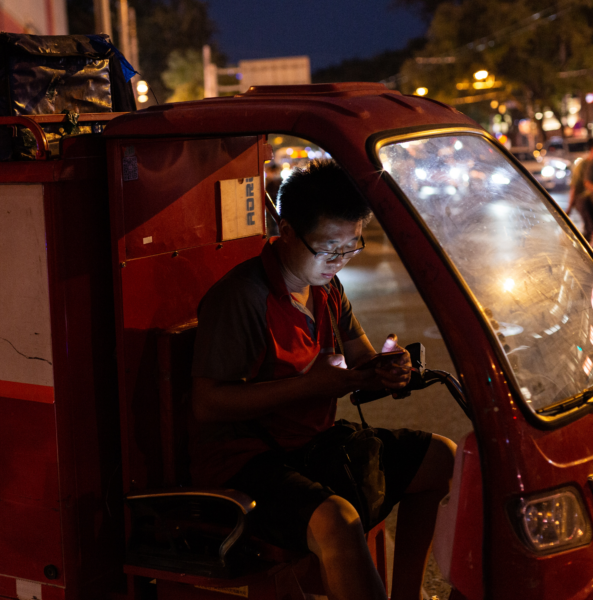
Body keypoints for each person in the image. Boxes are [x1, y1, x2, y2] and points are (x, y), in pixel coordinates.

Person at [190, 159, 456, 600]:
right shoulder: (242, 297)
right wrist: (307, 387)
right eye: (328, 249)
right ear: (287, 230)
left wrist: (388, 368)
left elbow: (361, 359)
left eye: (351, 248)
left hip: (312, 444)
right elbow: (206, 404)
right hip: (246, 461)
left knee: (440, 457)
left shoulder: (327, 289)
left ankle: (407, 593)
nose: (339, 261)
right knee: (339, 520)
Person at [569, 138, 593, 242]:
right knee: (589, 227)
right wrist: (570, 206)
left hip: (588, 200)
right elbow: (574, 186)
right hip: (583, 201)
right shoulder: (582, 165)